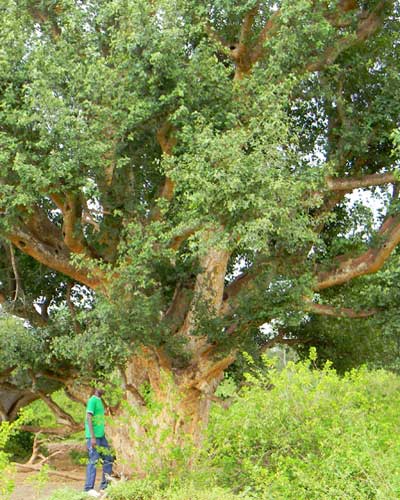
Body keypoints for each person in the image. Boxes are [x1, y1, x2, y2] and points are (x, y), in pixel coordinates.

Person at [83, 387, 113, 497]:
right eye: (101, 386)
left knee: (108, 458)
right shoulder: (92, 400)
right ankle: (88, 488)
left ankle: (104, 487)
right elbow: (88, 418)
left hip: (101, 436)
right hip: (94, 437)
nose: (104, 388)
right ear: (95, 388)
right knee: (93, 460)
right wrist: (92, 437)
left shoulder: (100, 401)